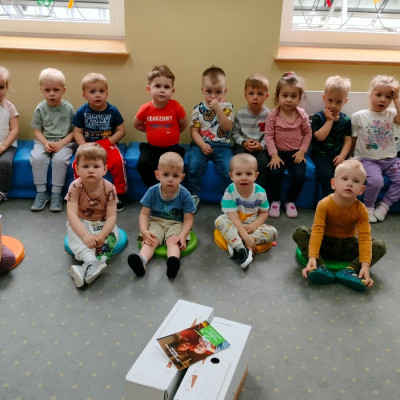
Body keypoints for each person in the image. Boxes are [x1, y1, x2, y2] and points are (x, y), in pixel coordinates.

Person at [292, 159, 386, 292]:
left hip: (346, 247)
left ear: (361, 190)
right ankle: (320, 266)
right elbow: (317, 231)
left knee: (379, 246)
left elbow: (364, 237)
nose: (349, 183)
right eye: (345, 179)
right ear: (333, 183)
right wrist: (312, 257)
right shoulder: (324, 204)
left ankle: (350, 270)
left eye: (356, 181)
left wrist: (365, 266)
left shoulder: (362, 210)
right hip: (324, 244)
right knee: (300, 232)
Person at [128, 152, 195, 278]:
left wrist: (183, 235)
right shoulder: (152, 191)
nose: (170, 179)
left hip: (176, 223)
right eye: (166, 174)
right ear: (158, 175)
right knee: (150, 240)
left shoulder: (185, 194)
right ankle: (141, 261)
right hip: (156, 221)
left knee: (173, 241)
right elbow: (144, 214)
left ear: (181, 177)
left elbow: (188, 219)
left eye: (175, 176)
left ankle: (173, 262)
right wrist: (144, 230)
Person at [66, 143, 119, 288]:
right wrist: (84, 236)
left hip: (102, 223)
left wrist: (102, 235)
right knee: (73, 233)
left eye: (96, 166)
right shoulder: (75, 186)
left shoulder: (110, 188)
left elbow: (111, 217)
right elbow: (71, 214)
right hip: (81, 222)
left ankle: (84, 268)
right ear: (77, 169)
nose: (91, 170)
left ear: (105, 169)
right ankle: (92, 262)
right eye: (85, 166)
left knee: (111, 238)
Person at [73, 72, 128, 212]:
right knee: (76, 164)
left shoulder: (113, 111)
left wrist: (107, 143)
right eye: (92, 92)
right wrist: (84, 146)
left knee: (118, 162)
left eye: (101, 91)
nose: (98, 95)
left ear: (107, 94)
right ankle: (79, 191)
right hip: (88, 145)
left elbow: (121, 131)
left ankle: (120, 193)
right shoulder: (82, 111)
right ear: (84, 95)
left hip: (108, 145)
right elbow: (77, 132)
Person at [215, 153, 278, 269]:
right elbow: (233, 218)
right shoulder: (230, 191)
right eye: (238, 174)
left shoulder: (261, 192)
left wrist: (254, 225)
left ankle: (234, 242)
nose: (244, 178)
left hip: (251, 227)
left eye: (249, 174)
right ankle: (240, 248)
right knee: (220, 220)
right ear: (231, 176)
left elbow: (264, 213)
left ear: (256, 175)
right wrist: (246, 238)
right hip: (233, 223)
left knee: (273, 232)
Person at [351, 75, 400, 223]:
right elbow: (353, 139)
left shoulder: (391, 114)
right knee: (376, 181)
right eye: (379, 95)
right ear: (370, 95)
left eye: (388, 97)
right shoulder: (359, 116)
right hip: (368, 160)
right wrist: (350, 158)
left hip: (390, 160)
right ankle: (369, 207)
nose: (383, 100)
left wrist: (397, 98)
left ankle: (384, 206)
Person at [185, 66, 234, 212]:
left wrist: (218, 109)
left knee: (228, 167)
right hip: (201, 144)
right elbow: (194, 131)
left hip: (222, 146)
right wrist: (201, 144)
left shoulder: (227, 107)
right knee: (193, 165)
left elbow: (227, 128)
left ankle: (228, 197)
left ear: (225, 91)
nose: (213, 96)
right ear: (202, 90)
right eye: (209, 91)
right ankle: (193, 195)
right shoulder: (197, 108)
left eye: (218, 92)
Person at [265, 72, 312, 218]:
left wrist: (302, 151)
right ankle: (275, 200)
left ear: (299, 97)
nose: (289, 100)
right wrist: (274, 155)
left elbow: (308, 134)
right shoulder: (273, 115)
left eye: (293, 96)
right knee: (274, 173)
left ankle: (290, 201)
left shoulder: (301, 115)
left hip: (296, 153)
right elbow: (268, 136)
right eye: (285, 95)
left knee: (299, 175)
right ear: (278, 97)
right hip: (278, 153)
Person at [30, 68, 75, 212]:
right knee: (37, 158)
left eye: (56, 90)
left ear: (63, 90)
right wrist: (45, 143)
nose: (51, 93)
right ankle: (41, 193)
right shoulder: (40, 108)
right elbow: (37, 131)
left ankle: (56, 194)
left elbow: (74, 132)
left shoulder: (68, 108)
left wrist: (61, 143)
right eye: (47, 90)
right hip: (44, 141)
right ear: (41, 90)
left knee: (60, 160)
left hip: (64, 141)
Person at [134, 65, 187, 188]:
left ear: (172, 91)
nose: (162, 90)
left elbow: (183, 124)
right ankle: (155, 187)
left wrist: (174, 132)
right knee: (142, 163)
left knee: (176, 165)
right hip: (152, 148)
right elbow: (136, 124)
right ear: (149, 89)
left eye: (166, 87)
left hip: (172, 148)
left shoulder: (176, 107)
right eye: (157, 86)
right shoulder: (146, 108)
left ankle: (170, 188)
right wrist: (149, 130)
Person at [311, 75, 352, 197]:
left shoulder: (346, 120)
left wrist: (342, 156)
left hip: (338, 154)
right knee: (326, 174)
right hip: (321, 154)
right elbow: (319, 137)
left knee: (347, 174)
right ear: (324, 98)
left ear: (345, 102)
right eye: (330, 100)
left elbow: (348, 141)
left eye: (338, 102)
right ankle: (331, 199)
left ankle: (345, 198)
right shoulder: (318, 117)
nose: (333, 105)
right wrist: (329, 120)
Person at [231, 74, 270, 190]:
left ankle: (259, 192)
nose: (255, 97)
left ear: (266, 96)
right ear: (245, 96)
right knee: (238, 162)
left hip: (260, 147)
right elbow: (235, 132)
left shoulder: (269, 114)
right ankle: (237, 190)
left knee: (262, 163)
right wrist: (244, 143)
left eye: (260, 94)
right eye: (251, 93)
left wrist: (261, 146)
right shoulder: (241, 113)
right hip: (243, 145)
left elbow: (269, 134)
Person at [0, 66, 19, 203]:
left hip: (7, 144)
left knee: (4, 163)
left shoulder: (9, 107)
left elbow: (14, 129)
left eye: (1, 87)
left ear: (6, 88)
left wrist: (3, 146)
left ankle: (3, 191)